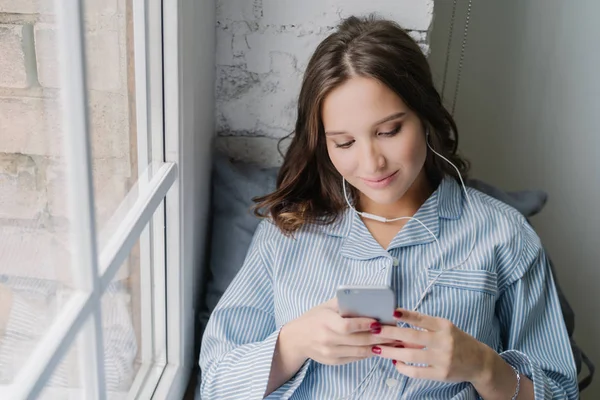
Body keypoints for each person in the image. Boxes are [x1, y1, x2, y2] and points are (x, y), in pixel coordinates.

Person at [199, 14, 578, 399]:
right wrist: (292, 344)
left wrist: (483, 366)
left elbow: (562, 392)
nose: (371, 163)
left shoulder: (504, 236)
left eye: (389, 131)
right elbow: (215, 385)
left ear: (424, 117)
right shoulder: (286, 233)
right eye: (344, 143)